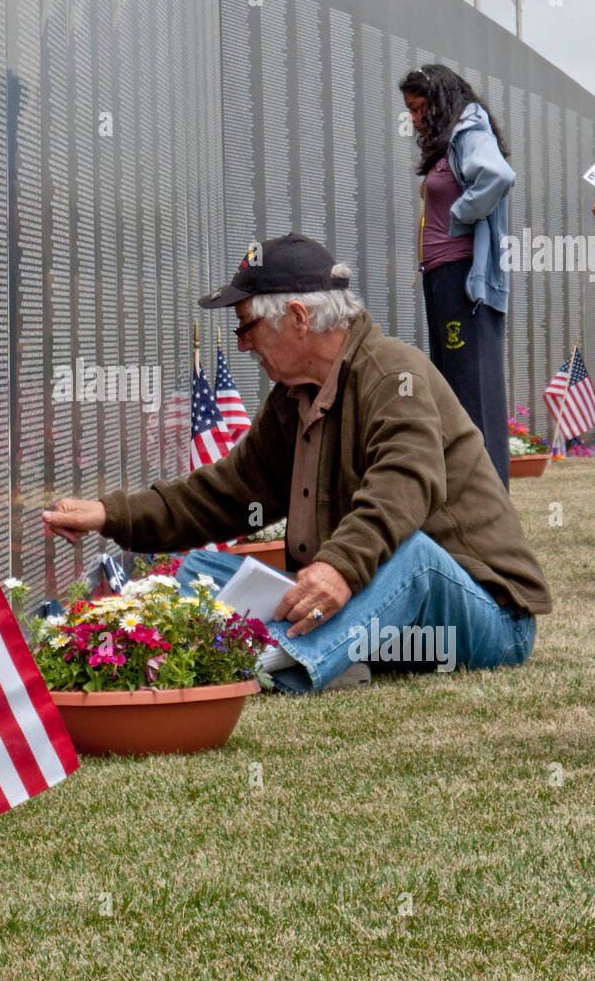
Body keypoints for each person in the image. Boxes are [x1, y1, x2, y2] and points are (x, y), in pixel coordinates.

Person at [42, 233, 551, 694]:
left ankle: (269, 665)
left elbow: (404, 483)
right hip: (376, 614)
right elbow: (222, 495)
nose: (242, 344)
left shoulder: (396, 374)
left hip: (488, 621)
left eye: (247, 326)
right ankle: (250, 654)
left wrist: (336, 567)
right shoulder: (292, 400)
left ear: (299, 318)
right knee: (200, 570)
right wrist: (110, 516)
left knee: (413, 556)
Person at [400, 63, 514, 487]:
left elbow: (498, 175)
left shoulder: (469, 129)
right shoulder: (450, 141)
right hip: (442, 279)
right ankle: (470, 504)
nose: (412, 119)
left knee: (473, 398)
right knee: (453, 398)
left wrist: (460, 215)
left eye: (417, 108)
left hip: (464, 285)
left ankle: (492, 507)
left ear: (440, 101)